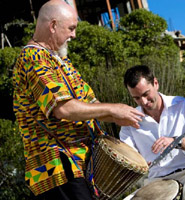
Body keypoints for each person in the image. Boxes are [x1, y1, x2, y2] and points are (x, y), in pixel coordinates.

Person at [12, 1, 144, 199]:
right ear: (53, 25)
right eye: (71, 28)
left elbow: (89, 102)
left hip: (81, 166)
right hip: (56, 168)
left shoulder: (61, 60)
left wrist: (114, 115)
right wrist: (114, 109)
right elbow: (63, 109)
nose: (74, 35)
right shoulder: (33, 58)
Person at [119, 65, 185, 200]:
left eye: (146, 94)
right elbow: (129, 156)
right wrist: (138, 164)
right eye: (137, 98)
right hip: (154, 181)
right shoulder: (129, 122)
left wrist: (176, 142)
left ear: (155, 83)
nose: (143, 102)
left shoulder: (183, 106)